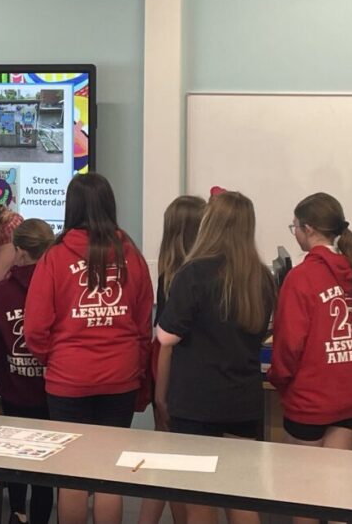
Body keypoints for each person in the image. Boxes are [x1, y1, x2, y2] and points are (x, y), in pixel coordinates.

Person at [23, 173, 153, 524]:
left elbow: (34, 328)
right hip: (120, 376)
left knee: (73, 475)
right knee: (109, 473)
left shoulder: (53, 258)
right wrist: (136, 367)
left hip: (69, 378)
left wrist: (56, 359)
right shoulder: (131, 255)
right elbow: (143, 325)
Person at [157, 191, 276, 524]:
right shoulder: (262, 277)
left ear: (210, 223)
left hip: (196, 403)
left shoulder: (193, 273)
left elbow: (166, 336)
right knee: (240, 494)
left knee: (199, 498)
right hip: (243, 400)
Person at [267, 193, 352, 524]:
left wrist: (277, 378)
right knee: (338, 494)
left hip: (309, 398)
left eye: (295, 227)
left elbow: (289, 345)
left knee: (305, 497)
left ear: (309, 229)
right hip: (345, 397)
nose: (295, 234)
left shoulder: (300, 277)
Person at [138, 195, 205, 524]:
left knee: (164, 454)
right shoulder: (192, 276)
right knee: (177, 462)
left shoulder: (169, 272)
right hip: (175, 372)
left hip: (163, 370)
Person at [0, 218, 55, 524]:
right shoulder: (58, 289)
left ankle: (18, 513)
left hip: (14, 389)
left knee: (14, 456)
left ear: (19, 251)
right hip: (50, 391)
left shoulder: (1, 293)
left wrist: (5, 376)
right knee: (45, 464)